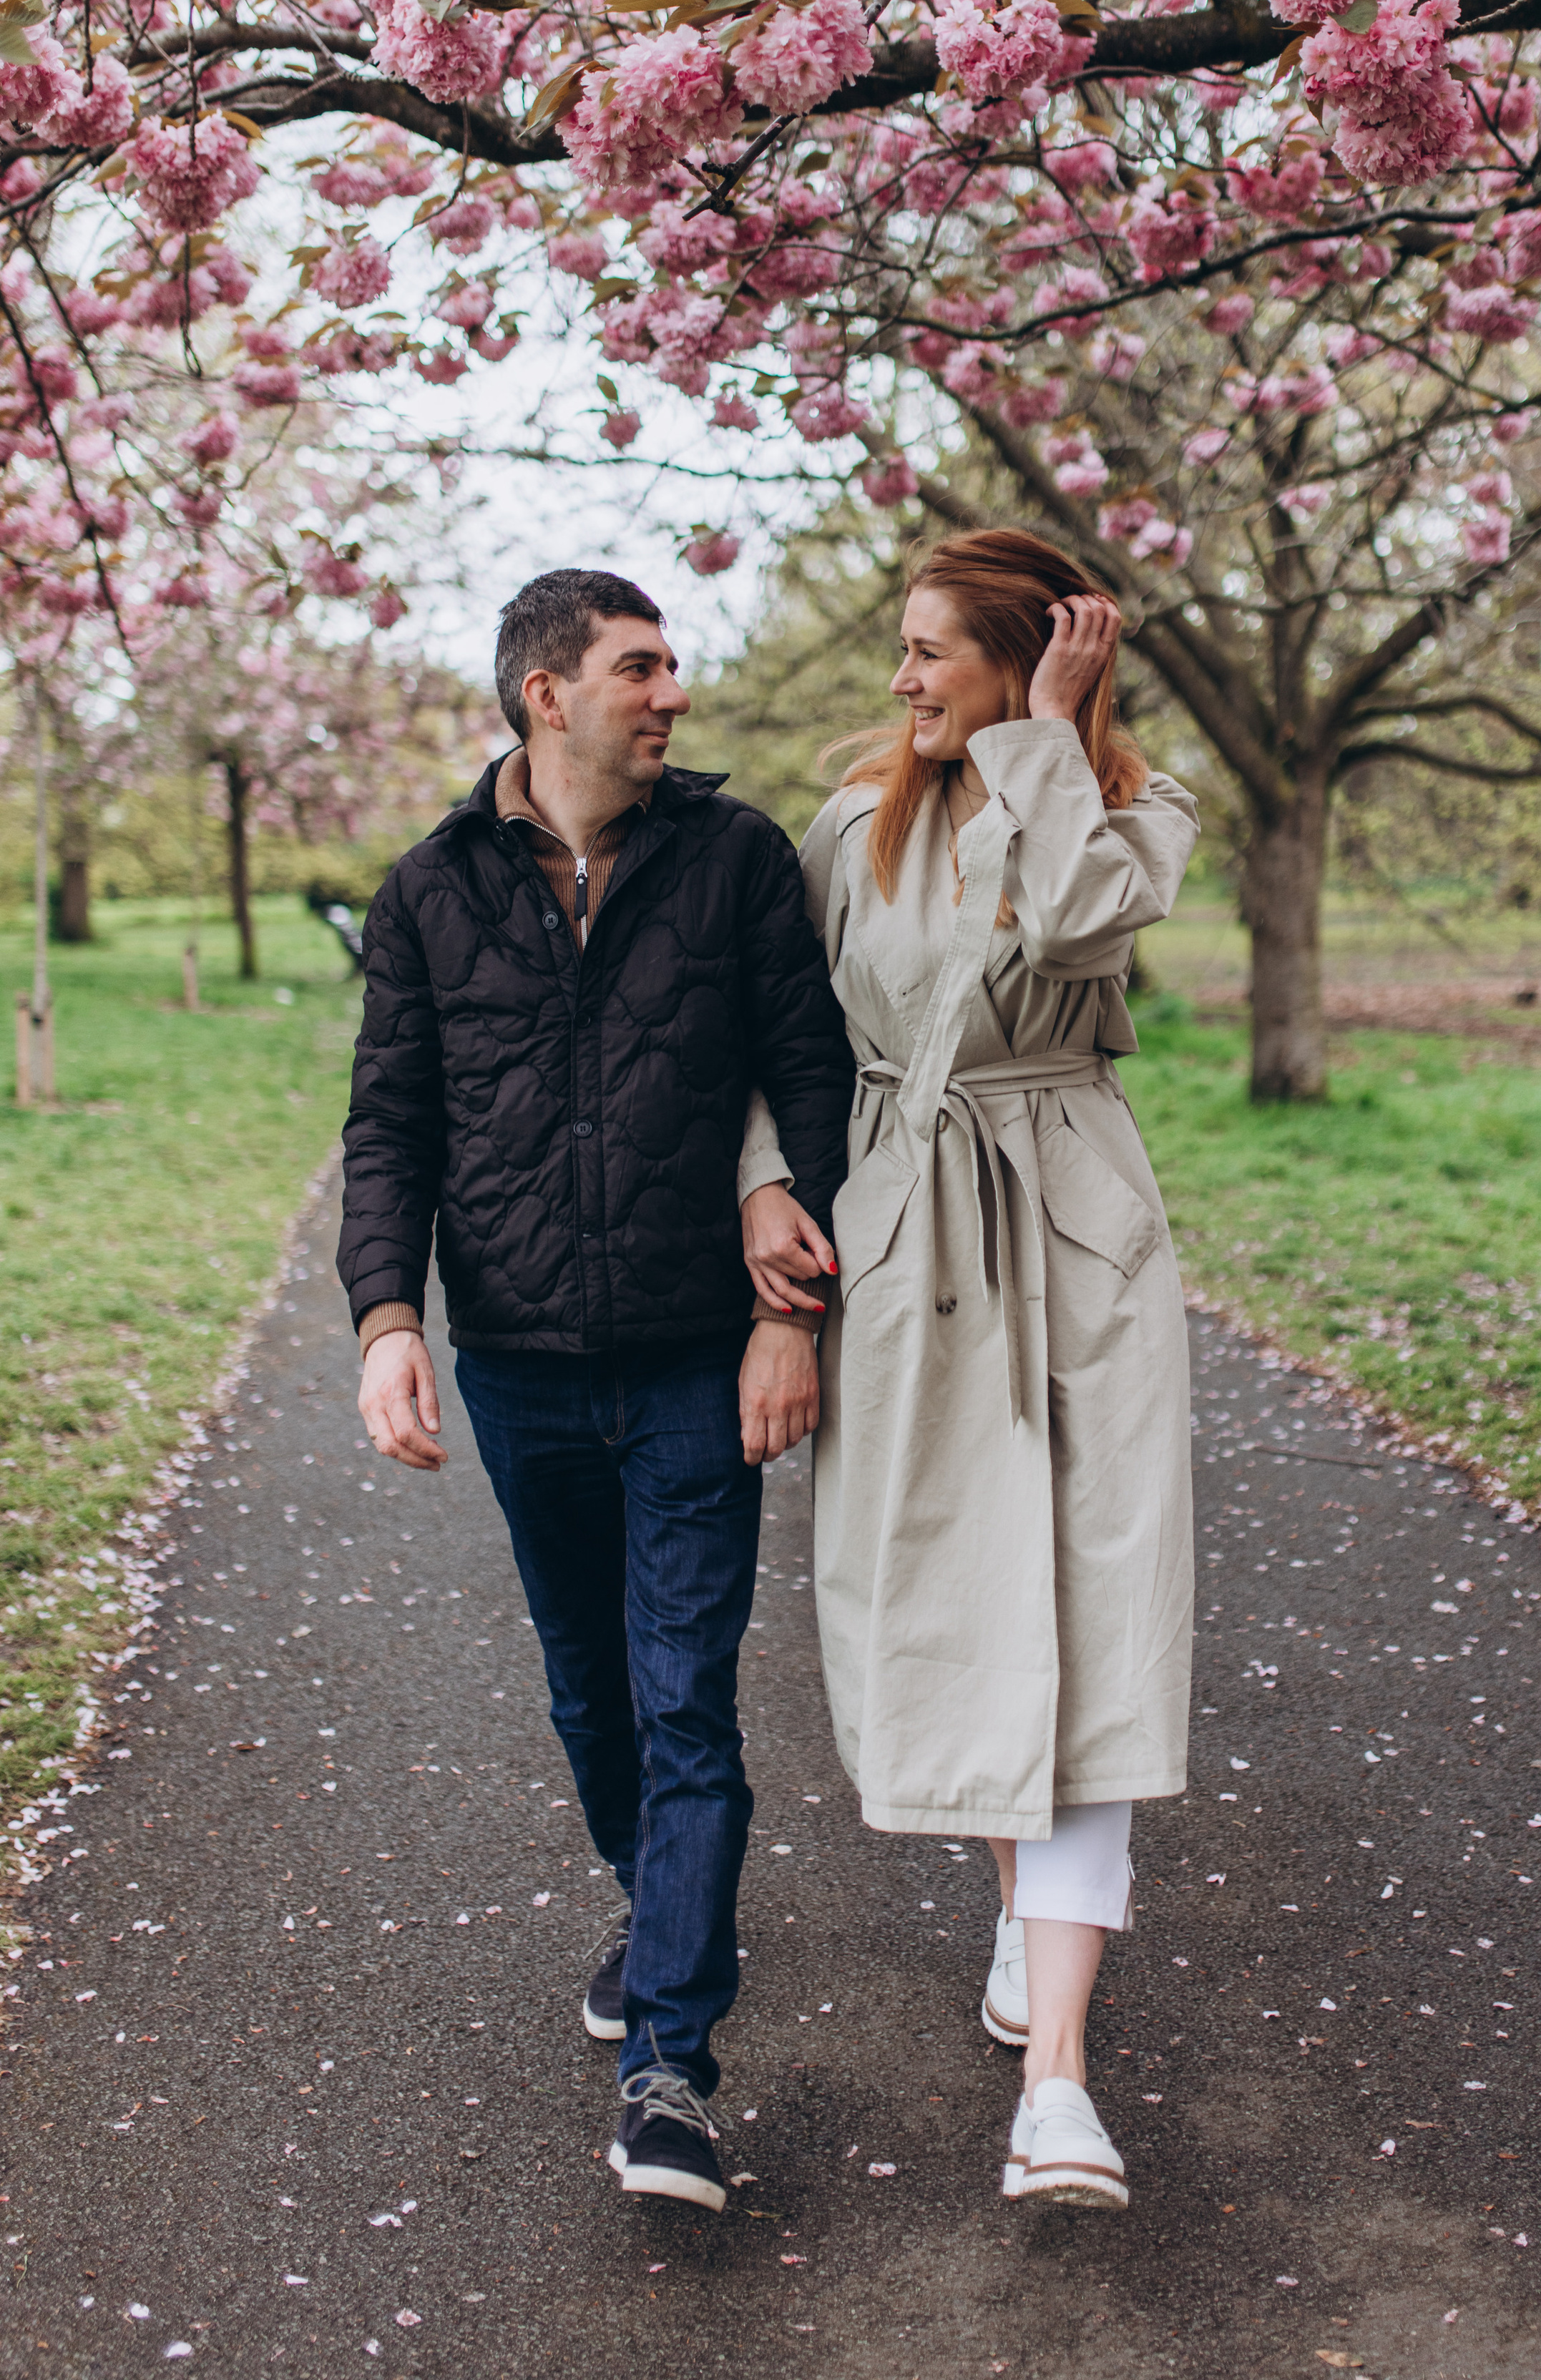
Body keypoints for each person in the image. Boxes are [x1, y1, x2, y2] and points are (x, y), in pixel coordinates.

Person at [339, 567, 853, 2215]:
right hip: (520, 1366)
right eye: (640, 665)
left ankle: (671, 2066)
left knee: (685, 1695)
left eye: (674, 663)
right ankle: (659, 1901)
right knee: (590, 1690)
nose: (672, 692)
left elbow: (811, 1080)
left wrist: (791, 1315)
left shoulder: (737, 858)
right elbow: (390, 1125)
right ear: (544, 692)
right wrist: (385, 1317)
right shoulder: (429, 890)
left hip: (701, 1351)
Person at [741, 528, 1200, 2209]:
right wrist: (762, 1189)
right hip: (901, 1231)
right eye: (904, 646)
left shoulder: (1134, 812)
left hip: (1074, 1245)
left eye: (932, 648)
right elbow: (771, 1038)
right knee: (962, 1595)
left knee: (1088, 1614)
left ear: (1024, 658)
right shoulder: (848, 827)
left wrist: (1046, 738)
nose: (901, 677)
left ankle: (1057, 2082)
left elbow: (1075, 922)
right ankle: (1021, 1900)